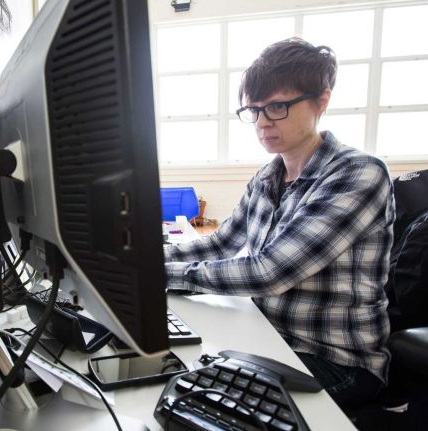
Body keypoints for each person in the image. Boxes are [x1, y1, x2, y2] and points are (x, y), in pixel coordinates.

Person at [164, 38, 393, 412]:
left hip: (333, 360)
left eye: (277, 106)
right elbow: (222, 243)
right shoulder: (270, 175)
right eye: (254, 110)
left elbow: (270, 271)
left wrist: (158, 274)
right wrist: (143, 257)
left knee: (203, 407)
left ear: (322, 100)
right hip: (266, 337)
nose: (263, 122)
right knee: (180, 383)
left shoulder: (358, 173)